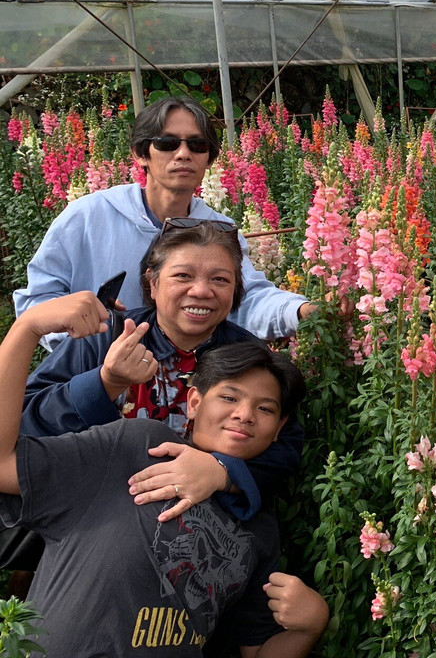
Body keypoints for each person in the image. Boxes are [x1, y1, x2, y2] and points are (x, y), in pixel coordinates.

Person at [0, 294, 329, 656]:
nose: (245, 414)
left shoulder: (258, 526)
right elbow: (3, 465)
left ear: (280, 427)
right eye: (230, 397)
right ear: (194, 402)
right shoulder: (135, 446)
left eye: (264, 408)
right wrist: (26, 329)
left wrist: (308, 626)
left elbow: (254, 652)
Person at [22, 219, 303, 521]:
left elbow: (287, 446)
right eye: (182, 276)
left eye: (220, 280)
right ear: (152, 283)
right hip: (91, 513)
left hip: (200, 525)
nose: (201, 291)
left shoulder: (248, 356)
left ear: (236, 290)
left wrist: (222, 472)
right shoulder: (104, 338)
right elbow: (25, 422)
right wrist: (104, 383)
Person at [14, 96, 316, 350]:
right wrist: (84, 337)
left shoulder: (218, 228)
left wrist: (300, 311)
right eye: (167, 143)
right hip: (97, 379)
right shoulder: (88, 216)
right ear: (140, 154)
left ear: (209, 160)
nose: (183, 153)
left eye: (197, 146)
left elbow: (247, 300)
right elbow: (36, 303)